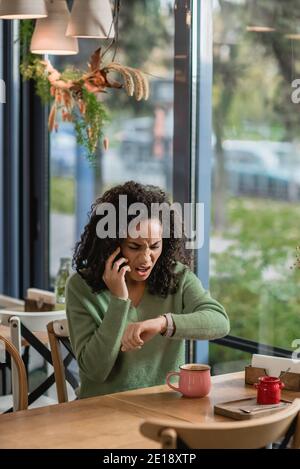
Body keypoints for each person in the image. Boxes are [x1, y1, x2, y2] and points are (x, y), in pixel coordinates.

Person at [66, 181, 230, 398]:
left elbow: (219, 321)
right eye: (134, 247)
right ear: (112, 244)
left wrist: (163, 323)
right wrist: (118, 299)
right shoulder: (81, 287)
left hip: (163, 409)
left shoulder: (177, 277)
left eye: (155, 246)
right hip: (102, 411)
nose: (146, 259)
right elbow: (95, 371)